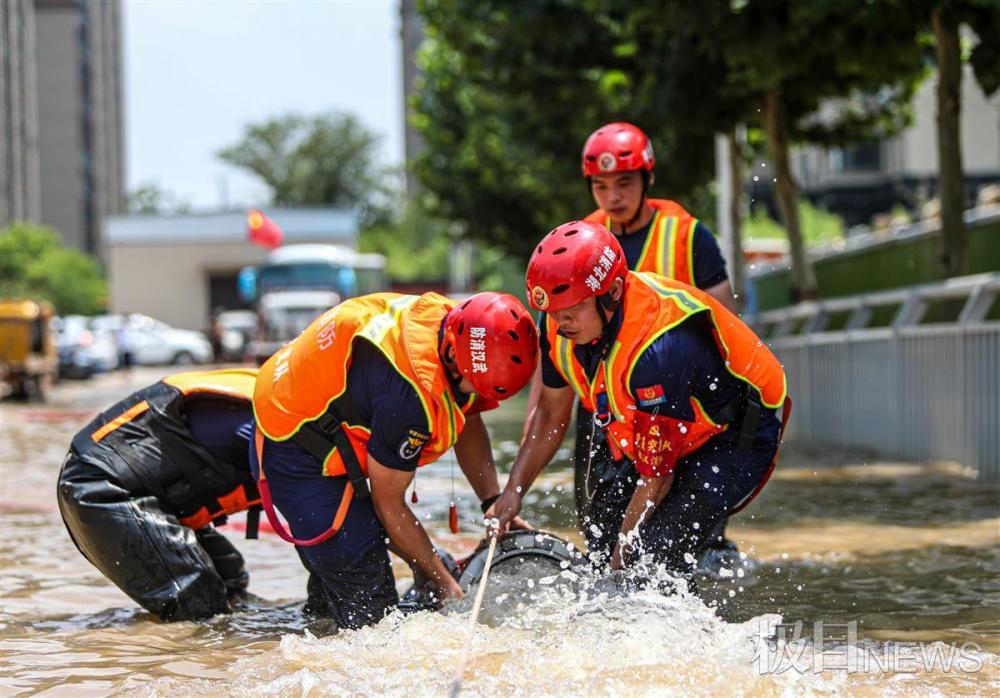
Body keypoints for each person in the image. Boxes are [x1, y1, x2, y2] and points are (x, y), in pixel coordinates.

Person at [491, 222, 789, 583]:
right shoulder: (557, 323)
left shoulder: (658, 349)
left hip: (734, 434)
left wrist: (620, 565)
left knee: (652, 559)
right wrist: (513, 491)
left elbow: (656, 476)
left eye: (571, 309)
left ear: (612, 292)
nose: (559, 321)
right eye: (551, 310)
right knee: (600, 527)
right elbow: (552, 413)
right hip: (667, 426)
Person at [251, 290, 538, 629]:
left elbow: (467, 415)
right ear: (450, 353)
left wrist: (491, 499)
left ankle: (321, 618)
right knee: (374, 616)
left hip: (323, 403)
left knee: (421, 567)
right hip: (294, 446)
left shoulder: (456, 325)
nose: (473, 394)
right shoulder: (407, 396)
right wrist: (447, 587)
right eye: (473, 385)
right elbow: (389, 502)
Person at [525, 123, 740, 545]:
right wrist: (532, 434)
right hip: (605, 411)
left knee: (685, 539)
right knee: (599, 535)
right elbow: (553, 344)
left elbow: (727, 326)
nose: (613, 197)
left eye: (624, 183)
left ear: (648, 179)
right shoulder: (577, 240)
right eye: (601, 187)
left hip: (679, 405)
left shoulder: (687, 236)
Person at [57, 368, 263, 621]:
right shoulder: (275, 428)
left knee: (230, 579)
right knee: (195, 602)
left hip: (152, 490)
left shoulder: (284, 402)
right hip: (103, 488)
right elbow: (315, 539)